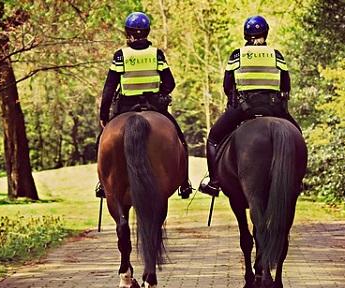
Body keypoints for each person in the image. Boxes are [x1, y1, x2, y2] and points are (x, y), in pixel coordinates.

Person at [198, 15, 301, 197]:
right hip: (273, 108)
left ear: (246, 34)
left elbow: (227, 85)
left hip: (244, 109)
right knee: (297, 134)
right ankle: (297, 179)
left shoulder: (237, 55)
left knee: (213, 138)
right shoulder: (276, 55)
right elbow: (286, 84)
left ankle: (214, 183)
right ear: (265, 33)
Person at [96, 11, 193, 199]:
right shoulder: (156, 55)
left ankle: (103, 183)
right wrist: (160, 93)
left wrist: (103, 115)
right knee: (180, 139)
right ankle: (184, 182)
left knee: (101, 142)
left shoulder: (120, 56)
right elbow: (170, 83)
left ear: (127, 32)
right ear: (147, 31)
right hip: (154, 107)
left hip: (125, 107)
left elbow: (108, 88)